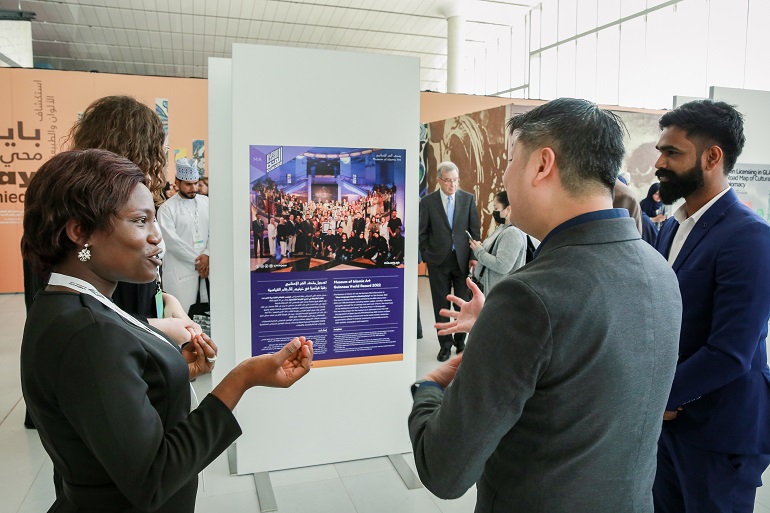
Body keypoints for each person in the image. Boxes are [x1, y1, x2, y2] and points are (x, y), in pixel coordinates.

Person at [408, 98, 682, 512]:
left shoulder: (528, 297)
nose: (504, 175)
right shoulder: (659, 269)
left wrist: (427, 389)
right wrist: (496, 334)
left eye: (511, 158)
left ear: (541, 165)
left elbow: (444, 470)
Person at [20, 149, 313, 513]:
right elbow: (153, 477)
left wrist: (163, 373)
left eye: (154, 220)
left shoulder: (65, 303)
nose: (157, 236)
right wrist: (241, 379)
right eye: (141, 221)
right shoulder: (89, 332)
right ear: (81, 232)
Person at [652, 99, 770, 513]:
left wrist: (656, 397)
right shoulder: (672, 229)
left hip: (720, 435)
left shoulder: (749, 237)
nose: (659, 163)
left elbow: (731, 351)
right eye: (660, 151)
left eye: (672, 152)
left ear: (712, 157)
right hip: (670, 431)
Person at [68, 95, 199, 343]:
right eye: (140, 221)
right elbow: (86, 319)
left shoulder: (127, 199)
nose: (154, 237)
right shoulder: (88, 213)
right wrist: (154, 326)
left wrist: (165, 301)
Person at [418, 161, 480, 361]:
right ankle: (445, 344)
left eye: (455, 181)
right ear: (439, 180)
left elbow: (474, 232)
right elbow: (422, 233)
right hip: (438, 261)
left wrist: (473, 257)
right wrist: (427, 255)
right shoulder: (428, 202)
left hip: (462, 261)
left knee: (463, 304)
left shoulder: (468, 199)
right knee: (441, 305)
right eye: (448, 181)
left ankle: (461, 341)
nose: (452, 185)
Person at [157, 158, 210, 314]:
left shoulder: (207, 202)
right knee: (182, 317)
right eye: (188, 184)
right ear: (177, 183)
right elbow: (171, 241)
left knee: (207, 318)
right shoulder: (167, 209)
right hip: (181, 270)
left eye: (195, 183)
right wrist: (200, 261)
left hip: (208, 267)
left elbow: (216, 232)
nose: (193, 188)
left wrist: (207, 254)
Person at [468, 190, 526, 294]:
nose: (493, 212)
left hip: (495, 292)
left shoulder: (512, 233)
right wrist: (481, 247)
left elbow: (502, 266)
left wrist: (478, 251)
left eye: (496, 208)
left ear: (508, 209)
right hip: (486, 289)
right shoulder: (503, 227)